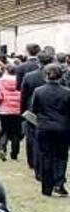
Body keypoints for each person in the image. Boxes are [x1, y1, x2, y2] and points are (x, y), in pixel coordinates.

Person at [31, 63, 70, 197]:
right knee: (61, 156)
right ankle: (59, 183)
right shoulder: (67, 93)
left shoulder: (38, 91)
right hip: (63, 128)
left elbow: (34, 109)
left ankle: (46, 187)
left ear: (46, 75)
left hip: (44, 127)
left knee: (45, 156)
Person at [20, 49, 54, 176]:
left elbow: (23, 95)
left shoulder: (30, 76)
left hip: (32, 111)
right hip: (52, 112)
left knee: (34, 140)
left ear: (38, 62)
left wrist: (23, 111)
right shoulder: (59, 75)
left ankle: (36, 165)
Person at [0, 65, 23, 162]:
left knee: (4, 131)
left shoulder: (0, 82)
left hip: (4, 110)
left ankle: (2, 149)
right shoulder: (20, 81)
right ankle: (14, 154)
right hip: (17, 111)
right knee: (15, 133)